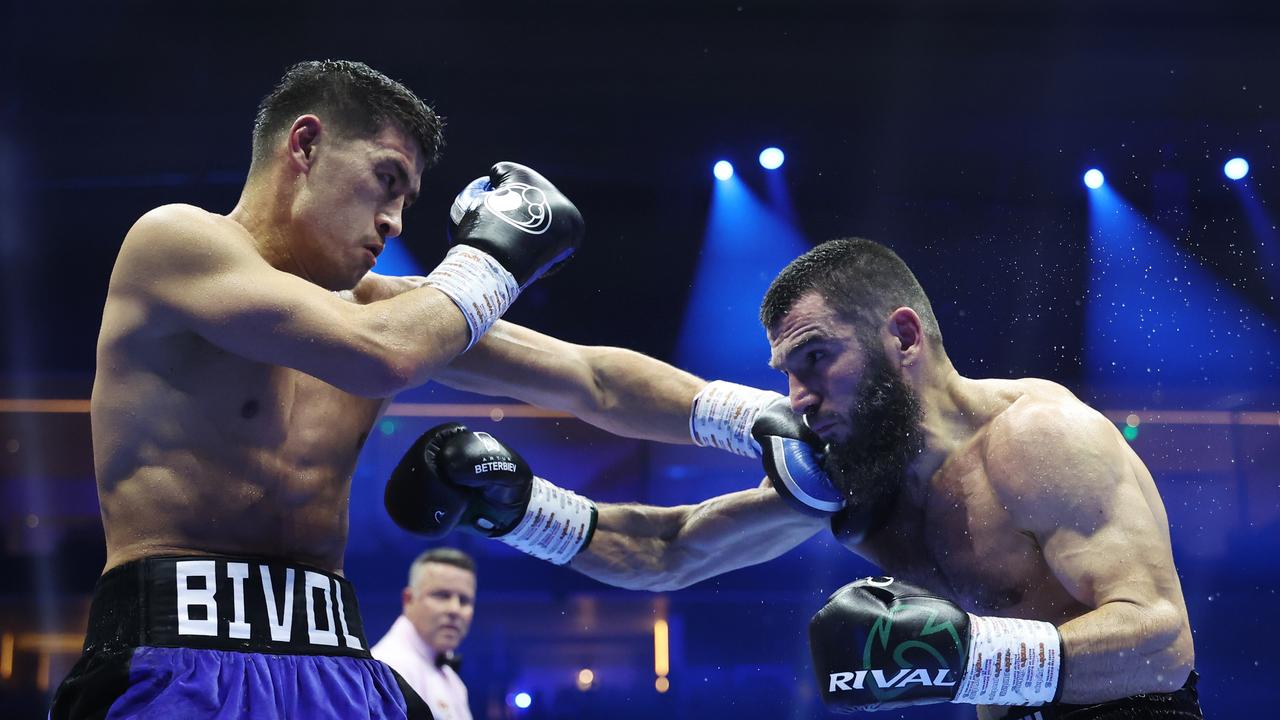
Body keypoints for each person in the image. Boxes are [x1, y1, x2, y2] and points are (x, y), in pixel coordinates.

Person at [52, 58, 829, 720]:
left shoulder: (386, 311)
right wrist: (492, 259)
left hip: (337, 669)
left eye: (409, 202)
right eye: (385, 180)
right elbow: (376, 358)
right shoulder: (174, 244)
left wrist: (753, 415)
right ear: (306, 144)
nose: (393, 220)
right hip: (175, 664)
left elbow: (588, 378)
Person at [389, 237, 1204, 718]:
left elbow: (1163, 643)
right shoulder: (859, 478)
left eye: (817, 359)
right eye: (786, 372)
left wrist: (965, 659)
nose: (798, 397)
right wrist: (522, 508)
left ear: (903, 336)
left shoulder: (1040, 438)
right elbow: (673, 549)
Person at [373, 549, 478, 720]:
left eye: (464, 600)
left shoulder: (452, 679)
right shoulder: (388, 670)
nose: (455, 609)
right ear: (409, 600)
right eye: (442, 595)